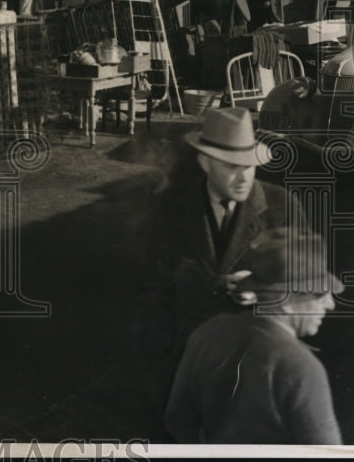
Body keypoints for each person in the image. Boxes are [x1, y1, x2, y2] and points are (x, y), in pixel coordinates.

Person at [140, 107, 304, 364]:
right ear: (205, 163)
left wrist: (264, 292)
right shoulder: (170, 206)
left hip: (256, 357)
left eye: (249, 166)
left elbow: (306, 287)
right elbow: (152, 287)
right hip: (187, 357)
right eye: (231, 167)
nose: (243, 178)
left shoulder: (282, 207)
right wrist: (163, 354)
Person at [165, 227, 343, 444]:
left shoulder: (208, 332)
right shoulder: (300, 365)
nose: (330, 304)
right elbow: (327, 453)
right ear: (285, 302)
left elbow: (177, 418)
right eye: (319, 295)